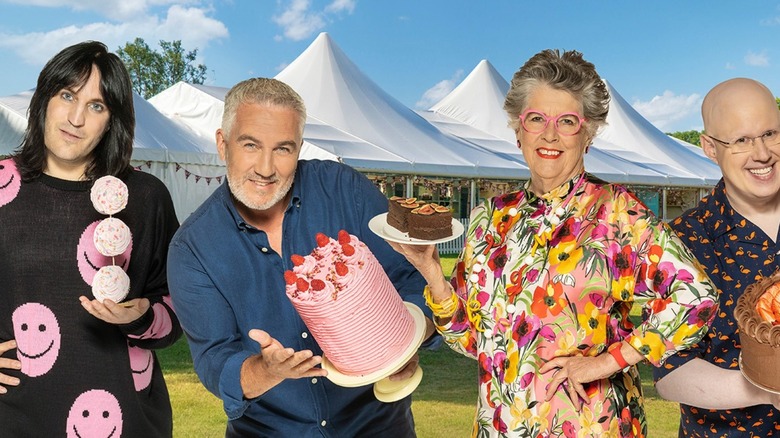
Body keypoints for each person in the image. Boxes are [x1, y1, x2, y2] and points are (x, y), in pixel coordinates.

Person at [388, 49, 719, 438]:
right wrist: (432, 273)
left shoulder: (617, 213)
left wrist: (610, 360)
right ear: (518, 130)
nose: (549, 135)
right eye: (536, 119)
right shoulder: (489, 219)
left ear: (588, 133)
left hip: (591, 426)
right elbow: (474, 342)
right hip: (501, 426)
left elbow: (696, 298)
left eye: (567, 121)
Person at [166, 77, 436, 437]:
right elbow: (214, 360)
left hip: (377, 426)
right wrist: (266, 370)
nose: (265, 168)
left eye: (283, 149)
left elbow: (411, 280)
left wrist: (405, 343)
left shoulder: (346, 190)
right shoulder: (193, 248)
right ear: (222, 144)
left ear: (300, 148)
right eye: (250, 145)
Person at [0, 41, 181, 436]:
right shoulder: (1, 186)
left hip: (126, 416)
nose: (76, 118)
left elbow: (178, 311)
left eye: (97, 106)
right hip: (15, 418)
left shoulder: (146, 197)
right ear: (44, 97)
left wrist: (141, 316)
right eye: (67, 95)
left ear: (112, 120)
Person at [653, 78, 780, 436]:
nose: (762, 154)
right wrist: (765, 389)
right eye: (741, 140)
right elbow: (669, 370)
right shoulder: (681, 240)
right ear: (710, 147)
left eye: (770, 133)